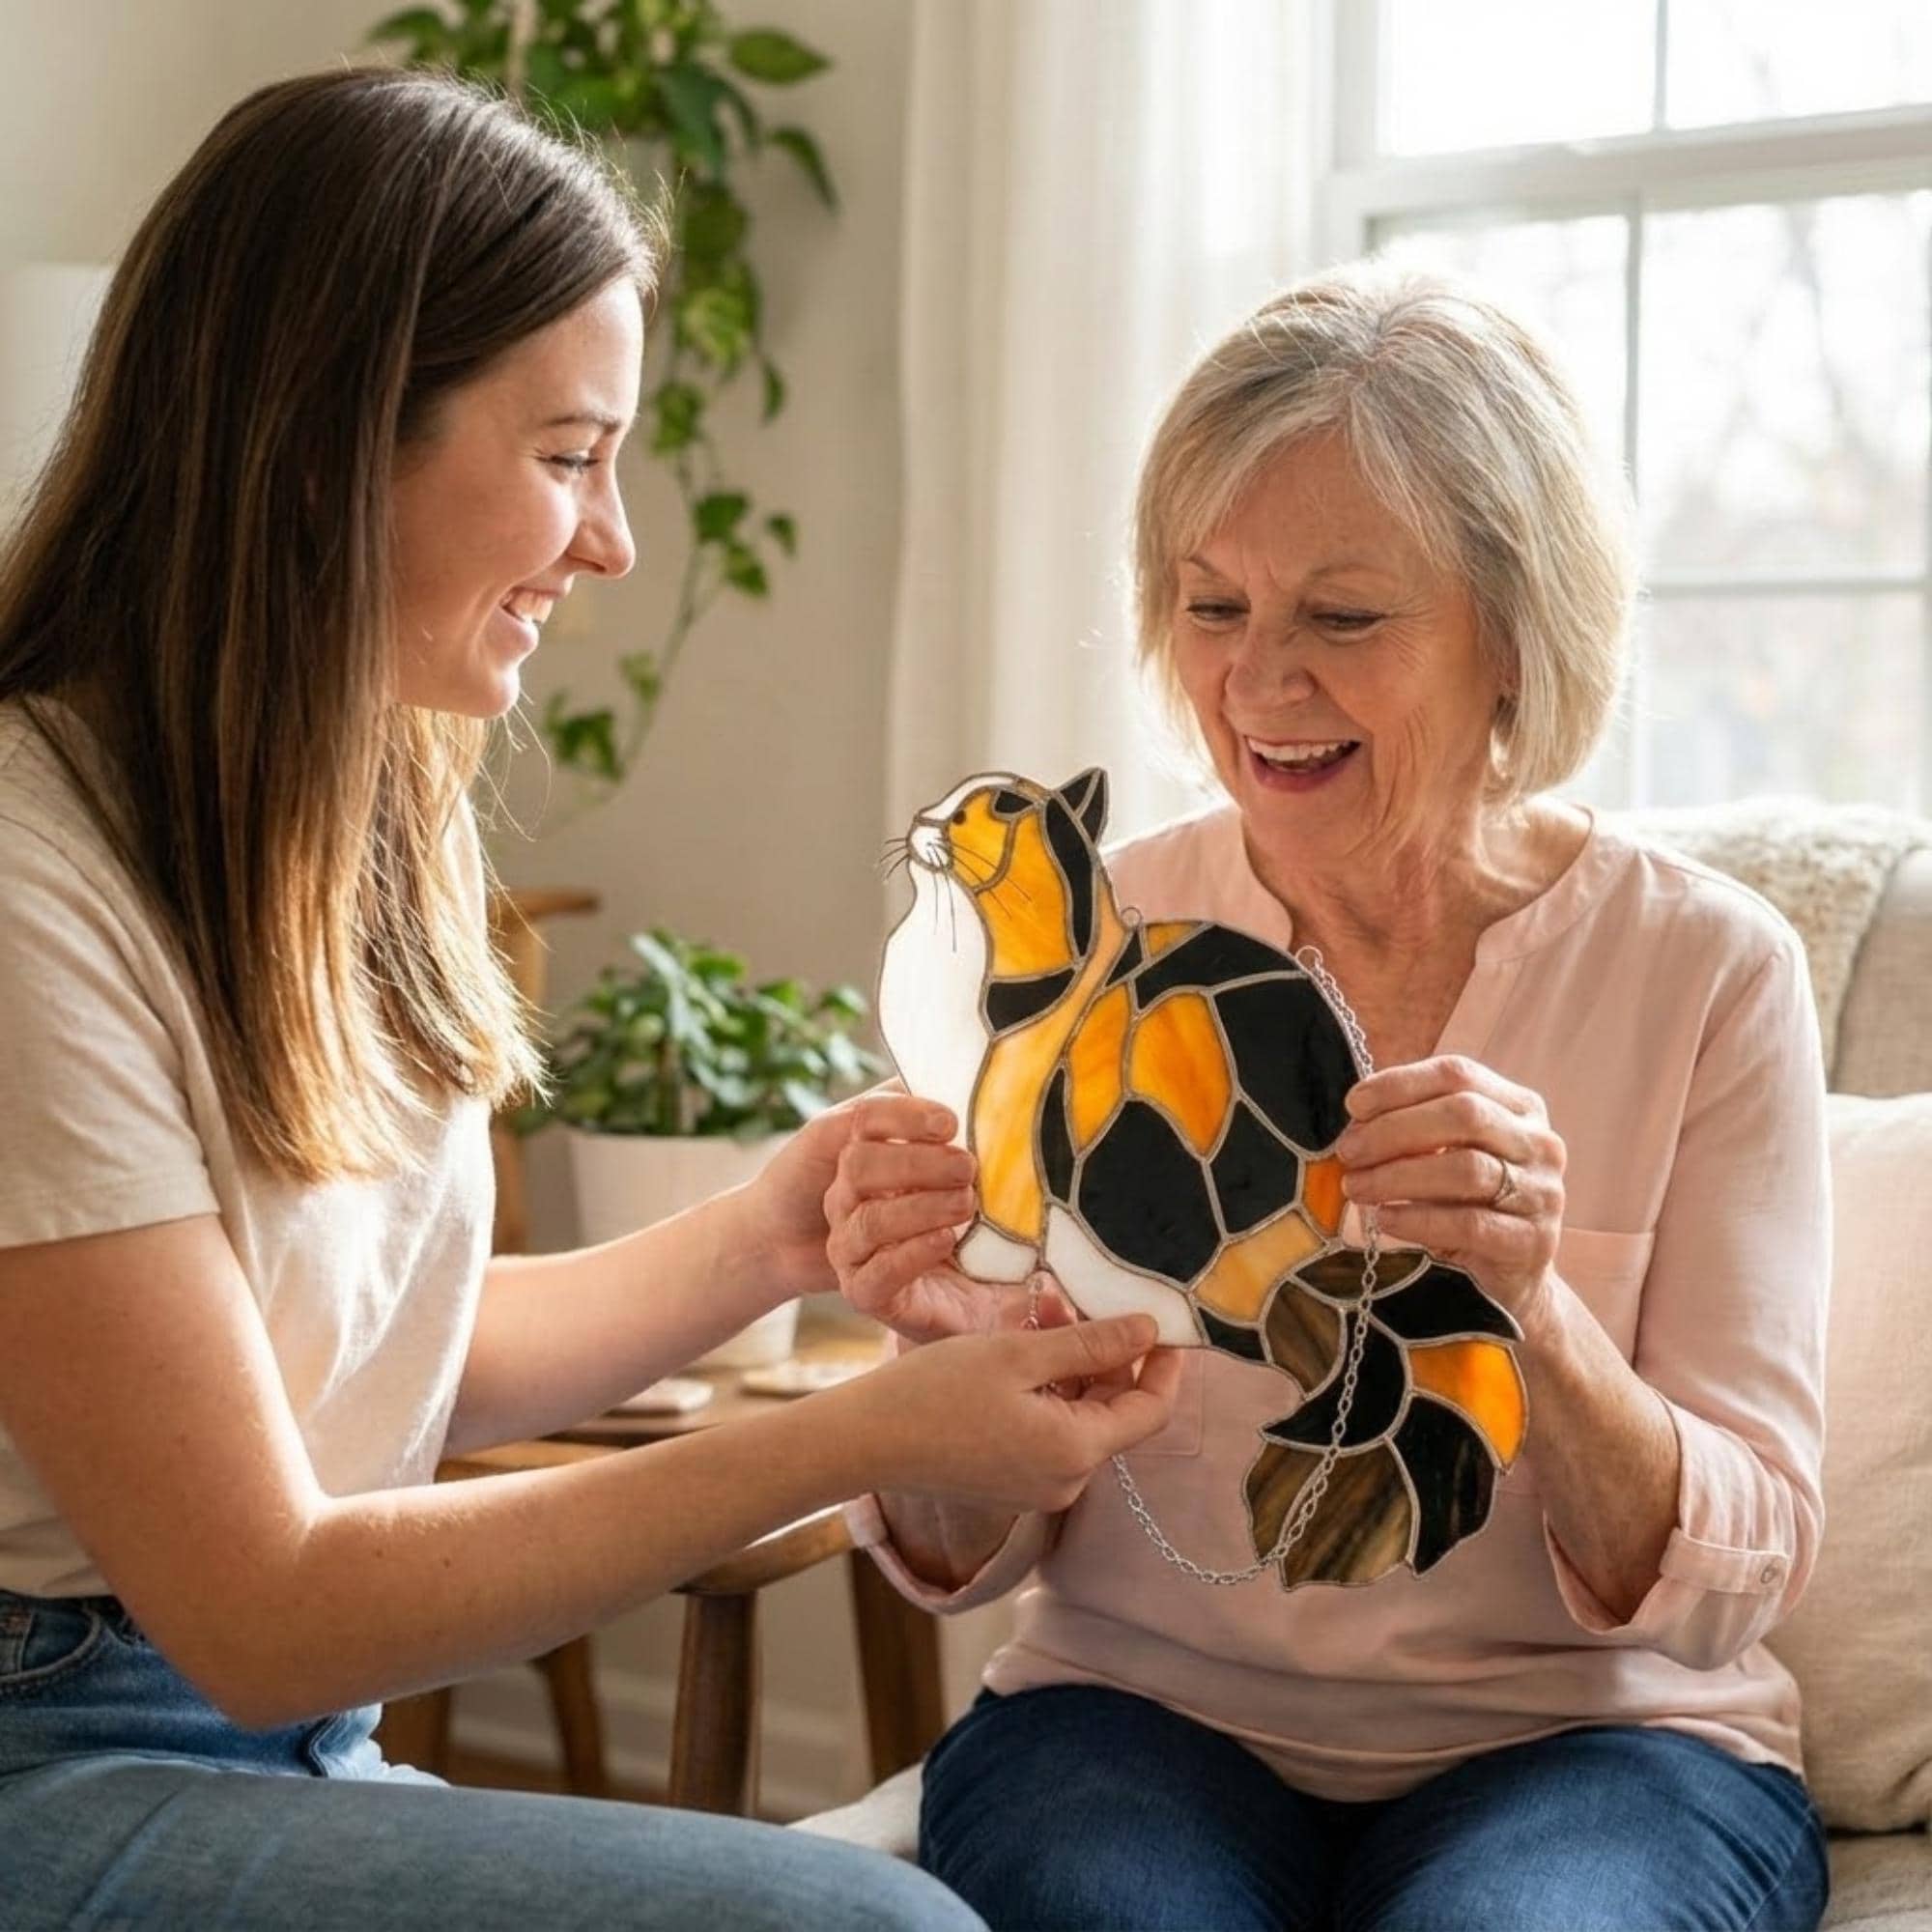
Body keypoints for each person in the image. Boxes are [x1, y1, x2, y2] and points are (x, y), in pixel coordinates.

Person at [0, 67, 1178, 1932]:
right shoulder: (29, 883)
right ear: (325, 446)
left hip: (268, 1746)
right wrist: (865, 1435)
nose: (615, 541)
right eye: (567, 456)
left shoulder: (344, 822)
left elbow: (375, 1359)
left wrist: (770, 1236)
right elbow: (263, 1606)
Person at [828, 265, 1833, 1931]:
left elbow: (1742, 1576)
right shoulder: (1083, 939)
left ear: (1516, 634)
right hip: (1133, 1720)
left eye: (1344, 618)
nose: (1256, 684)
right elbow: (947, 1552)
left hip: (1604, 1747)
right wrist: (948, 1348)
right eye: (1212, 607)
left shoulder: (1708, 971)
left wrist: (1530, 1305)